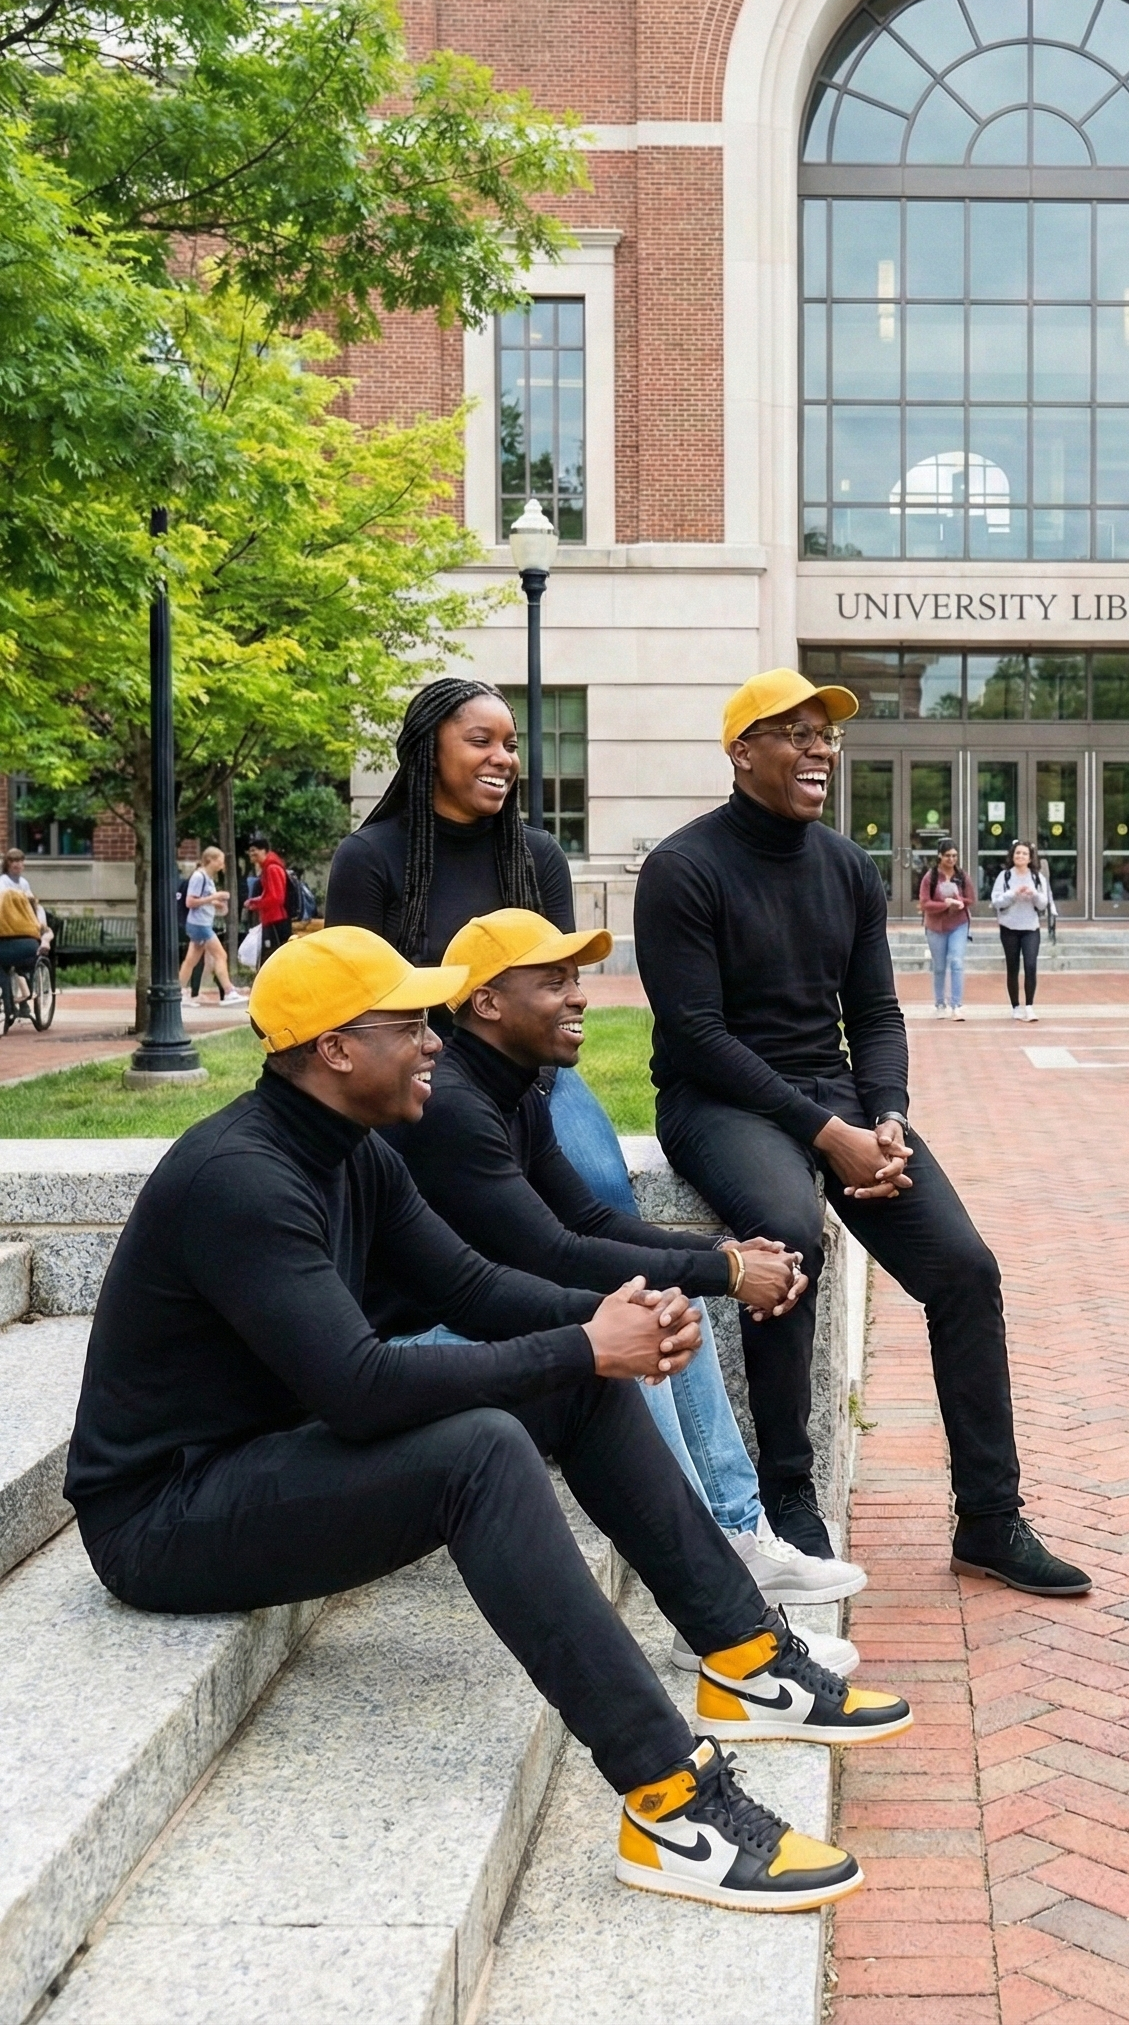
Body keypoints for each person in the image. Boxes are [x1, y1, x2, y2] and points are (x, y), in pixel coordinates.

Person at [61, 926, 913, 1913]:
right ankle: (674, 1802)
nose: (433, 1042)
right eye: (409, 1024)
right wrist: (589, 1341)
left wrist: (610, 1326)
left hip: (262, 1457)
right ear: (335, 1048)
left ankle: (749, 1661)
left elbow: (474, 1288)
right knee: (483, 1450)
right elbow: (361, 1390)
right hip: (160, 1518)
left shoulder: (357, 1154)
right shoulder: (242, 1180)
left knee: (571, 1383)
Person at [636, 669, 1090, 1596]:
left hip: (835, 1095)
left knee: (967, 1270)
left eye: (826, 736)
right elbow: (699, 1035)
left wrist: (886, 1120)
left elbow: (877, 1015)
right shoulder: (683, 869)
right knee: (790, 1239)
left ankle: (991, 1521)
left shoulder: (843, 866)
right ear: (741, 752)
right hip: (716, 1101)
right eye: (793, 733)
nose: (818, 749)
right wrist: (824, 1132)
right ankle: (790, 1504)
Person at [327, 677, 775, 1552]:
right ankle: (695, 1531)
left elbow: (553, 997)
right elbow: (354, 1002)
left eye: (510, 744)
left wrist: (705, 1260)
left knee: (602, 1192)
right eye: (480, 741)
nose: (503, 758)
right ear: (429, 752)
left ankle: (736, 1528)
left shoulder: (532, 856)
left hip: (518, 1072)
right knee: (586, 1261)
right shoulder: (371, 859)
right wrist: (718, 1265)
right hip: (423, 1081)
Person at [391, 907, 869, 1622]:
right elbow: (553, 1253)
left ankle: (736, 1535)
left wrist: (719, 1254)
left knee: (664, 1289)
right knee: (632, 1320)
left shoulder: (516, 1090)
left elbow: (587, 1218)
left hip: (484, 1318)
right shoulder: (457, 1107)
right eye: (554, 982)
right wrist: (731, 1275)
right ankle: (701, 1570)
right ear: (486, 1004)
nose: (579, 996)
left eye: (576, 979)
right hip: (413, 1348)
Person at [178, 846, 248, 1007]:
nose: (222, 865)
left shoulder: (208, 878)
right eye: (220, 861)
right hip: (199, 924)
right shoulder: (199, 877)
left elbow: (203, 900)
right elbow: (190, 901)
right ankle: (229, 992)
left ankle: (179, 992)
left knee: (191, 960)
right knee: (220, 955)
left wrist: (217, 904)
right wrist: (214, 897)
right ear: (210, 860)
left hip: (201, 923)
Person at [991, 841, 1051, 1021]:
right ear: (1012, 855)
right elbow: (996, 901)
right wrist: (1013, 894)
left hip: (1031, 927)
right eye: (1017, 853)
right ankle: (1015, 1006)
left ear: (1030, 857)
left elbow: (1043, 903)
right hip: (1009, 927)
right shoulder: (1005, 876)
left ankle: (1030, 1006)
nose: (1020, 857)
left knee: (1031, 965)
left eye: (1024, 854)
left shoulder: (1037, 877)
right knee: (1013, 966)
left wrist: (1033, 894)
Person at [919, 842, 973, 1019]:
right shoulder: (930, 877)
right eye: (948, 855)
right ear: (940, 856)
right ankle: (940, 1003)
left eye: (954, 856)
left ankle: (956, 1005)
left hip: (959, 923)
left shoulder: (962, 876)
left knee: (957, 961)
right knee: (940, 966)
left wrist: (960, 901)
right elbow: (925, 903)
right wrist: (944, 904)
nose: (951, 859)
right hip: (936, 926)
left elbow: (971, 898)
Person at [0, 846, 51, 1029]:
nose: (18, 865)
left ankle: (16, 1004)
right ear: (8, 864)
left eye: (20, 861)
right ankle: (12, 1004)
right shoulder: (4, 883)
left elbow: (31, 905)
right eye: (14, 861)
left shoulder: (24, 883)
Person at [247, 832, 292, 963]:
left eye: (254, 850)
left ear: (263, 851)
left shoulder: (272, 868)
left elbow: (277, 898)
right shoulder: (269, 867)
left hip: (276, 919)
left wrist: (257, 904)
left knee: (272, 956)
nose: (251, 854)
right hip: (273, 919)